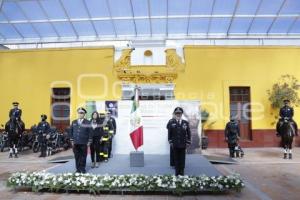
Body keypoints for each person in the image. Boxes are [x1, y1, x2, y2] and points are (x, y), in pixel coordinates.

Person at [167, 107, 191, 176]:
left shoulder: (185, 123)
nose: (178, 114)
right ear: (174, 114)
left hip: (183, 144)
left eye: (179, 113)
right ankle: (177, 173)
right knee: (176, 159)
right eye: (176, 113)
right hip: (175, 144)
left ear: (181, 114)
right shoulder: (171, 122)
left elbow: (188, 133)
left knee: (182, 159)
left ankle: (182, 172)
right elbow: (169, 133)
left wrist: (188, 141)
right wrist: (170, 141)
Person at [69, 107, 92, 173]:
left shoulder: (87, 122)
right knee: (77, 156)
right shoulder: (74, 122)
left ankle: (82, 168)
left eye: (82, 113)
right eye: (79, 113)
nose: (80, 114)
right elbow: (71, 131)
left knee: (83, 156)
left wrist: (89, 141)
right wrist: (72, 140)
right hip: (75, 142)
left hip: (84, 142)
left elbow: (90, 132)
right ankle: (78, 169)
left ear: (84, 114)